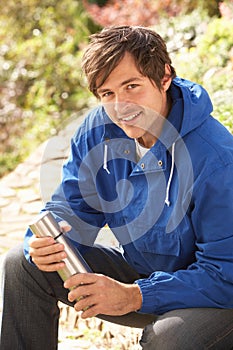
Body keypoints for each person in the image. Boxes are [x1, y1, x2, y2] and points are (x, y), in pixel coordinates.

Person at [1, 25, 233, 350]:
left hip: (216, 298)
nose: (121, 107)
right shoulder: (98, 132)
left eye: (132, 86)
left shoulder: (216, 158)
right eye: (107, 94)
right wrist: (42, 243)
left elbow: (226, 274)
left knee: (167, 338)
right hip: (143, 276)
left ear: (164, 77)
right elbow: (70, 207)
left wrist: (134, 296)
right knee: (22, 263)